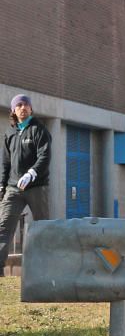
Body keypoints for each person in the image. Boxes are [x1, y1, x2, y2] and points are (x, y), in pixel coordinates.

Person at [0, 94, 51, 270]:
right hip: (13, 189)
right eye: (19, 105)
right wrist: (2, 185)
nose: (23, 107)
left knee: (43, 227)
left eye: (26, 104)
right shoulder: (9, 133)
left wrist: (31, 173)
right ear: (13, 110)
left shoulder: (39, 130)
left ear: (30, 108)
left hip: (36, 187)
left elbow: (44, 156)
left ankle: (46, 267)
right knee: (3, 228)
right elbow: (5, 163)